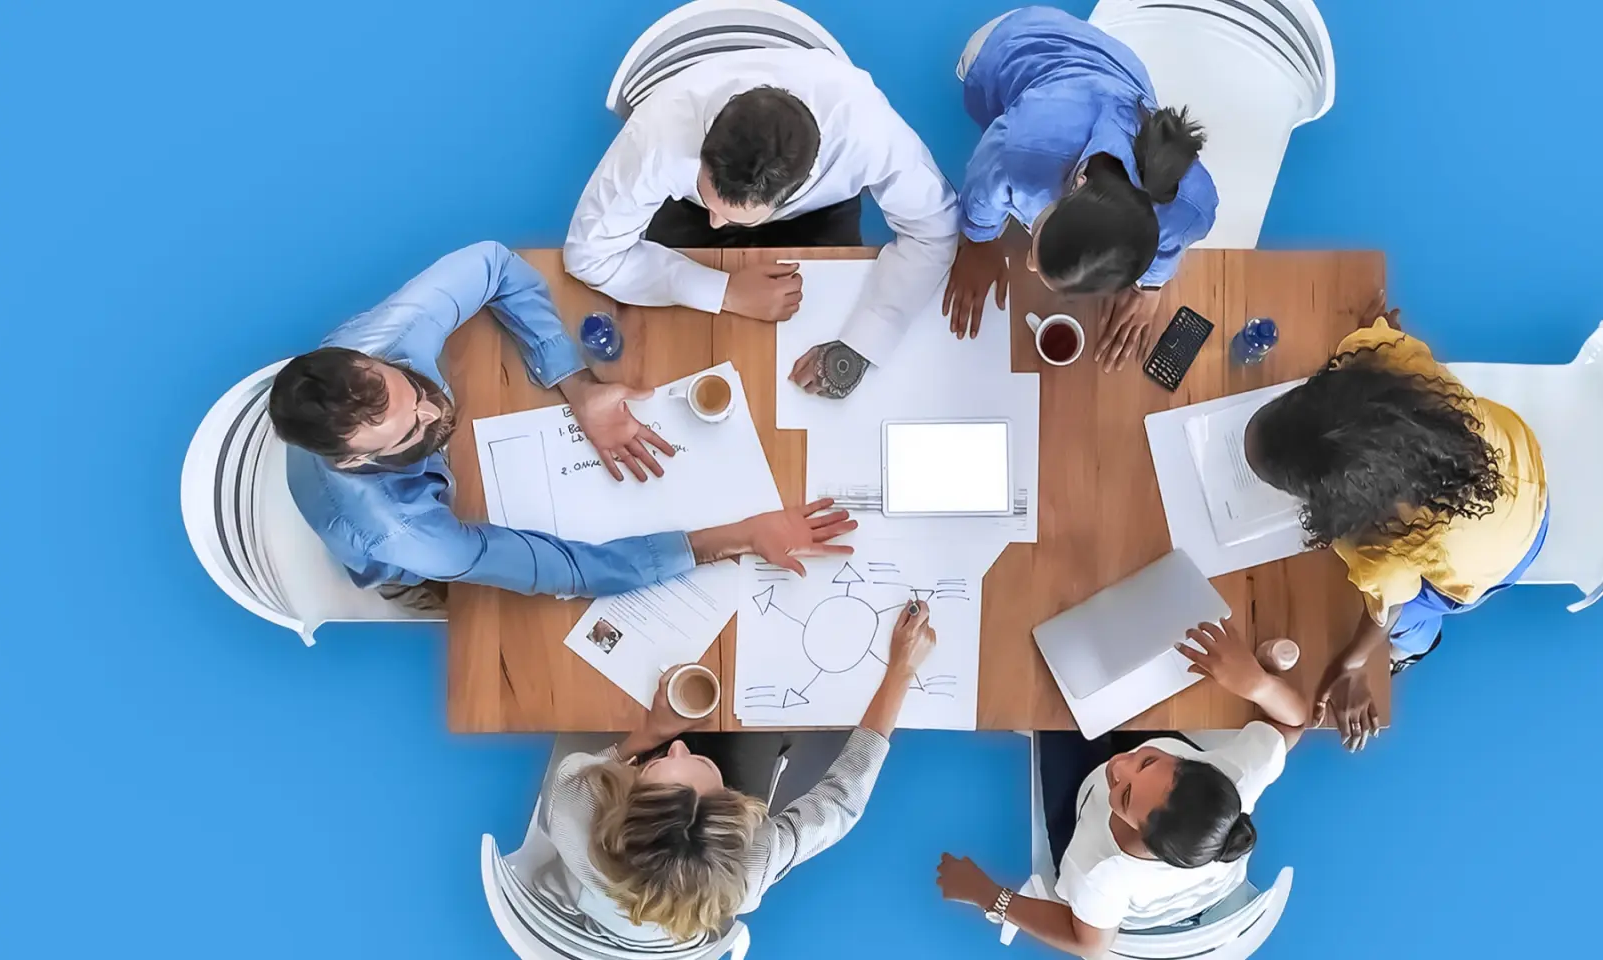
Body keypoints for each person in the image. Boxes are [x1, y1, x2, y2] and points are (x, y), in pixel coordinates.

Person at [269, 241, 858, 609]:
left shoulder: (388, 336)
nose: (434, 411)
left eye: (415, 388)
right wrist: (737, 537)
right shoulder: (403, 533)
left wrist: (577, 387)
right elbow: (568, 570)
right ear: (354, 458)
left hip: (451, 468)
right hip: (396, 549)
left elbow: (494, 262)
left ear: (367, 357)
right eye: (408, 430)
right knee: (473, 609)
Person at [565, 46, 960, 400]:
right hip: (684, 206)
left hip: (818, 213)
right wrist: (724, 291)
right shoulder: (658, 135)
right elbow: (589, 256)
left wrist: (864, 342)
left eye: (730, 215)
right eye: (713, 200)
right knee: (671, 348)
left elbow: (934, 227)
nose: (717, 226)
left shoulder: (868, 132)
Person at [543, 603, 938, 952]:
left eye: (659, 764)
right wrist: (901, 672)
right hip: (690, 878)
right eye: (693, 765)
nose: (677, 748)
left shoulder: (572, 806)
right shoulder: (748, 868)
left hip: (617, 867)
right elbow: (841, 802)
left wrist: (650, 736)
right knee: (755, 717)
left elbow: (605, 760)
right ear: (739, 810)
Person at [1243, 307, 1550, 750]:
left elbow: (1385, 610)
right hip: (1524, 470)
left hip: (1489, 565)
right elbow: (1380, 338)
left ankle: (1413, 650)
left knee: (1414, 615)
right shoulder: (1382, 359)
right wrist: (1378, 337)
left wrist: (1352, 665)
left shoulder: (1384, 548)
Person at [936, 619, 1305, 958]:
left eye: (1126, 796)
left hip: (1087, 813)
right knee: (1122, 673)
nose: (1120, 765)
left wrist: (988, 895)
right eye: (1148, 763)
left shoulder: (1101, 873)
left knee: (1050, 695)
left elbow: (1091, 945)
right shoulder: (1235, 783)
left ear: (1141, 836)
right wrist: (1257, 684)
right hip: (1178, 869)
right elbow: (1291, 722)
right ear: (1191, 764)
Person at [944, 7, 1217, 373]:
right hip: (1012, 42)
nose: (1026, 261)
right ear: (1077, 183)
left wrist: (1150, 289)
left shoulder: (1188, 204)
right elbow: (982, 186)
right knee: (977, 71)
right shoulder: (1023, 148)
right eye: (1036, 236)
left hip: (1115, 65)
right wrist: (980, 244)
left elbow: (1168, 246)